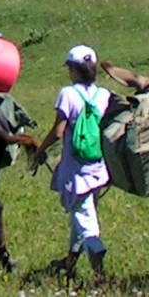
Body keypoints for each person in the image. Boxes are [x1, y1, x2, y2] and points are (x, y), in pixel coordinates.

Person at [31, 44, 112, 278]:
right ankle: (69, 264)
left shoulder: (68, 94)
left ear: (74, 70)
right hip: (98, 167)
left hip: (75, 169)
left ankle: (100, 273)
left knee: (86, 222)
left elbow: (59, 131)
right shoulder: (104, 95)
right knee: (83, 213)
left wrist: (40, 151)